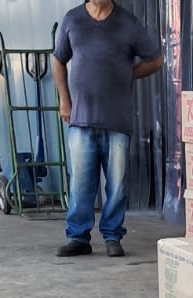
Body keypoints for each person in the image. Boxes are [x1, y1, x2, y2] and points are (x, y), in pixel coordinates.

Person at [52, 1, 163, 258]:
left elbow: (156, 60)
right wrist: (64, 100)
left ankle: (112, 236)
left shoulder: (128, 23)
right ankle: (78, 237)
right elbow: (58, 60)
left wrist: (127, 73)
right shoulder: (73, 19)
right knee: (80, 184)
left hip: (117, 121)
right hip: (81, 119)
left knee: (117, 184)